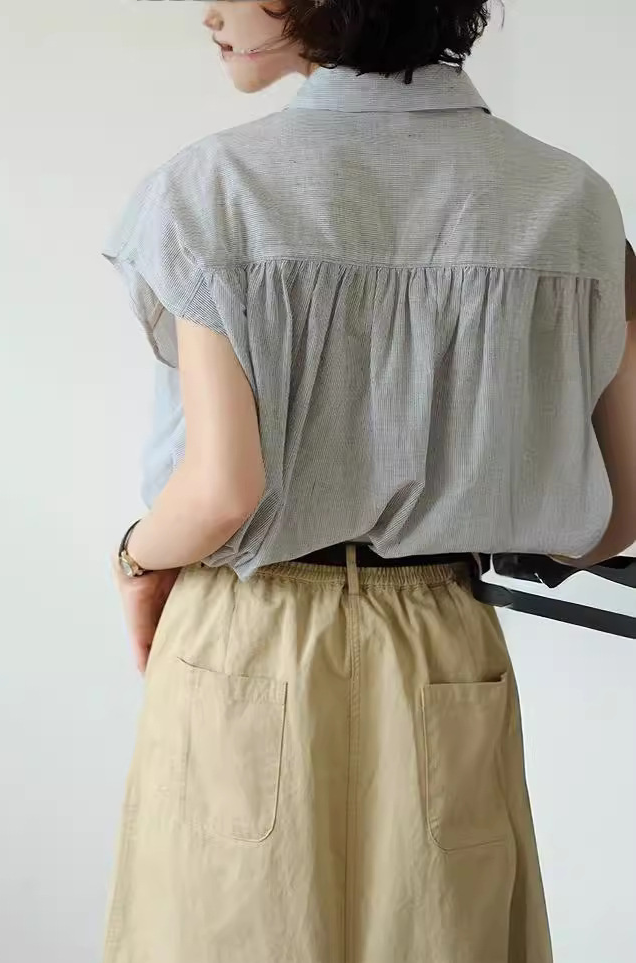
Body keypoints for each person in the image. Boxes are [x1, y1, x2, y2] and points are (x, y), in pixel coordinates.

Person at [101, 2, 635, 961]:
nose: (208, 10)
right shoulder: (573, 202)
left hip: (245, 631)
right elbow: (618, 511)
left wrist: (135, 561)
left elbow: (221, 491)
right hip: (439, 639)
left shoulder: (214, 189)